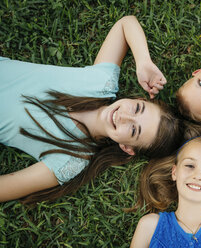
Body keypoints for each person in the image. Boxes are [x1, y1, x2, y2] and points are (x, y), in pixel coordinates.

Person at [0, 16, 181, 203]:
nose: (124, 117)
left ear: (127, 148)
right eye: (137, 109)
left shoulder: (71, 159)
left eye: (134, 130)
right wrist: (143, 62)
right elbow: (126, 24)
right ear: (137, 99)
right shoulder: (101, 82)